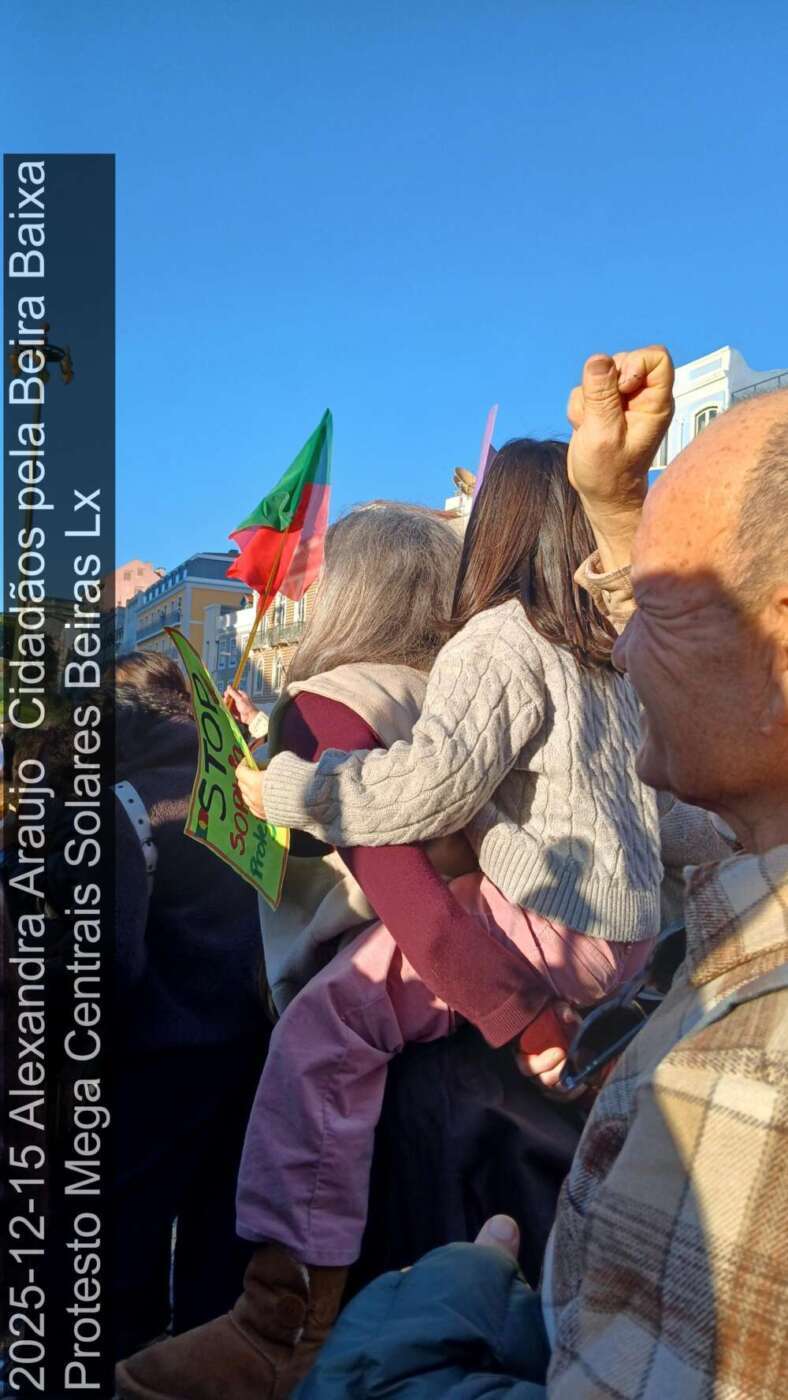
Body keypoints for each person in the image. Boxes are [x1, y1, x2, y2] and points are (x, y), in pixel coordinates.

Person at [296, 350, 788, 1398]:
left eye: (659, 608)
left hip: (531, 944)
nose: (629, 646)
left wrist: (295, 789)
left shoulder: (752, 1066)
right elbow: (667, 812)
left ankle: (279, 1298)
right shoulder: (606, 674)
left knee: (324, 1024)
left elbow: (421, 801)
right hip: (617, 949)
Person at [116, 489, 648, 1400]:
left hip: (422, 1054)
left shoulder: (335, 702)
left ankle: (279, 1318)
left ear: (346, 602)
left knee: (321, 1057)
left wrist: (517, 1013)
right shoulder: (457, 692)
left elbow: (401, 889)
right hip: (505, 1042)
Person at [42, 653, 271, 1362]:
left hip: (151, 1065)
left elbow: (109, 962)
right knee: (215, 1243)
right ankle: (195, 1370)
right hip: (248, 1054)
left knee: (118, 1244)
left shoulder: (121, 803)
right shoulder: (240, 793)